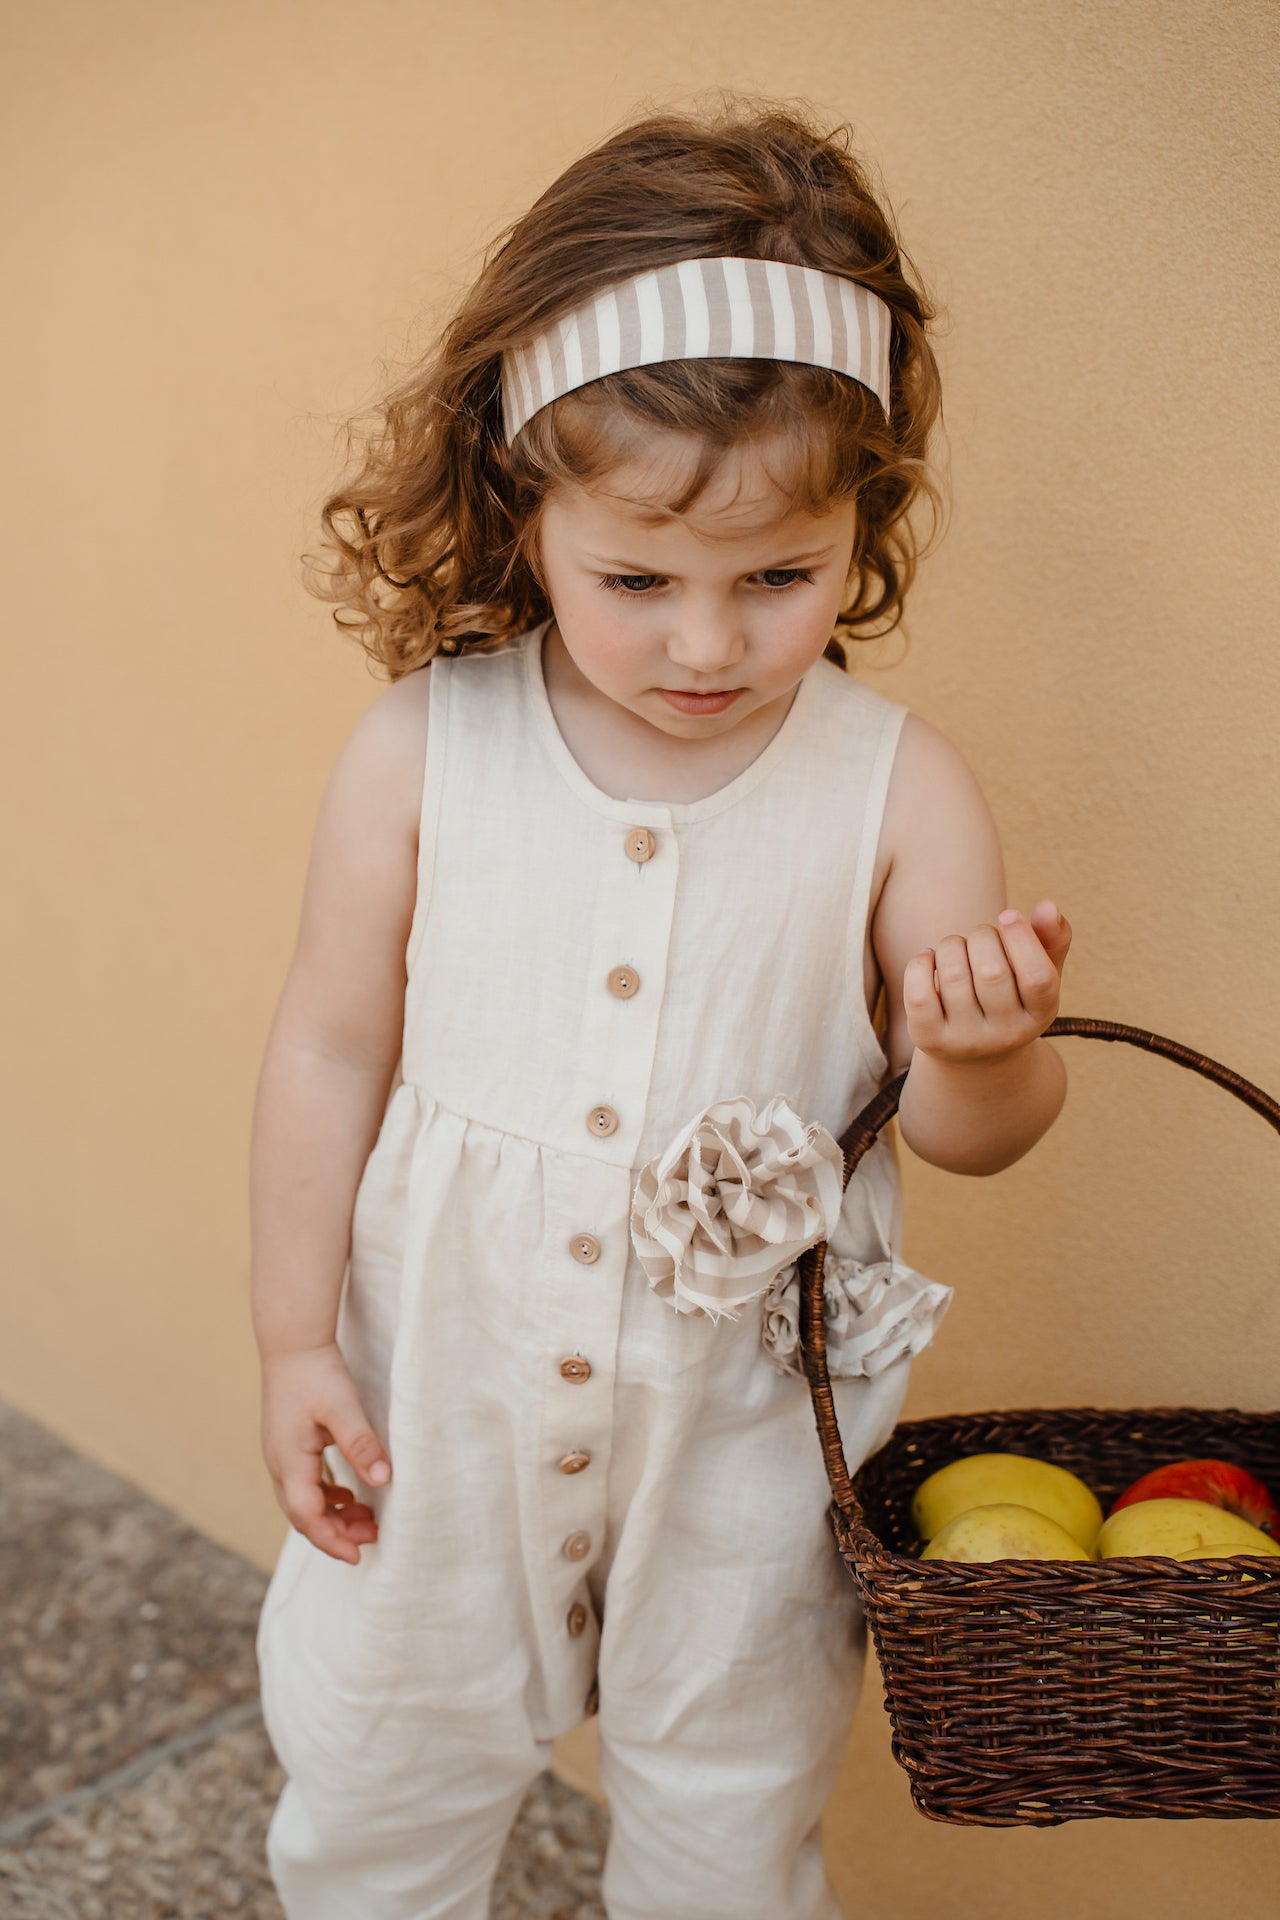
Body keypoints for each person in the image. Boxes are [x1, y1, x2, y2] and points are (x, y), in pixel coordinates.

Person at [250, 96, 1072, 1920]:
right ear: (522, 506)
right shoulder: (420, 755)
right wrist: (295, 1339)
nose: (707, 646)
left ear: (865, 518)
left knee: (727, 1817)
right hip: (436, 1405)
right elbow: (326, 1045)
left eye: (778, 579)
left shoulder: (898, 790)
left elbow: (970, 1137)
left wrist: (979, 1053)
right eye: (636, 581)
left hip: (744, 1449)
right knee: (379, 1781)